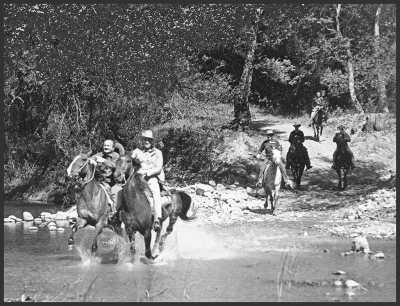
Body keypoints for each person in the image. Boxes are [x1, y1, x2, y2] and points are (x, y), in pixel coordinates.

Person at [130, 130, 165, 232]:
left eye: (149, 140)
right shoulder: (137, 151)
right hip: (138, 178)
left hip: (151, 177)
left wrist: (147, 173)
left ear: (152, 141)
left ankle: (157, 218)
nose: (146, 142)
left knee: (155, 194)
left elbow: (158, 168)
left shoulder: (158, 153)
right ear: (142, 140)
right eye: (145, 139)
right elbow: (131, 162)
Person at [91, 139, 121, 216]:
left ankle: (115, 214)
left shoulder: (116, 156)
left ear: (113, 148)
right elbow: (90, 160)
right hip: (100, 182)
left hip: (113, 183)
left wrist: (103, 161)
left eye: (108, 146)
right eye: (105, 145)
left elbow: (115, 165)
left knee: (117, 193)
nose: (106, 147)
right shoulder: (98, 155)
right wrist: (92, 161)